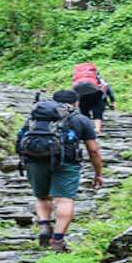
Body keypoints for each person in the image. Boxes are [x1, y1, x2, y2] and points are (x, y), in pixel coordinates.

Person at [19, 89, 104, 252]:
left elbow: (21, 138)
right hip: (67, 163)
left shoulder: (36, 117)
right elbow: (93, 150)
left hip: (35, 160)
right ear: (76, 103)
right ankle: (57, 240)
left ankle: (44, 225)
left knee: (42, 197)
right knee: (64, 200)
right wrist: (98, 173)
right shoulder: (81, 119)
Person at [71, 62, 117, 134]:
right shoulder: (98, 79)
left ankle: (86, 128)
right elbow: (108, 89)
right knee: (98, 112)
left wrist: (74, 103)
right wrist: (113, 102)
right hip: (97, 95)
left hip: (83, 96)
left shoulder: (78, 79)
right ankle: (97, 129)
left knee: (84, 113)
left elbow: (74, 90)